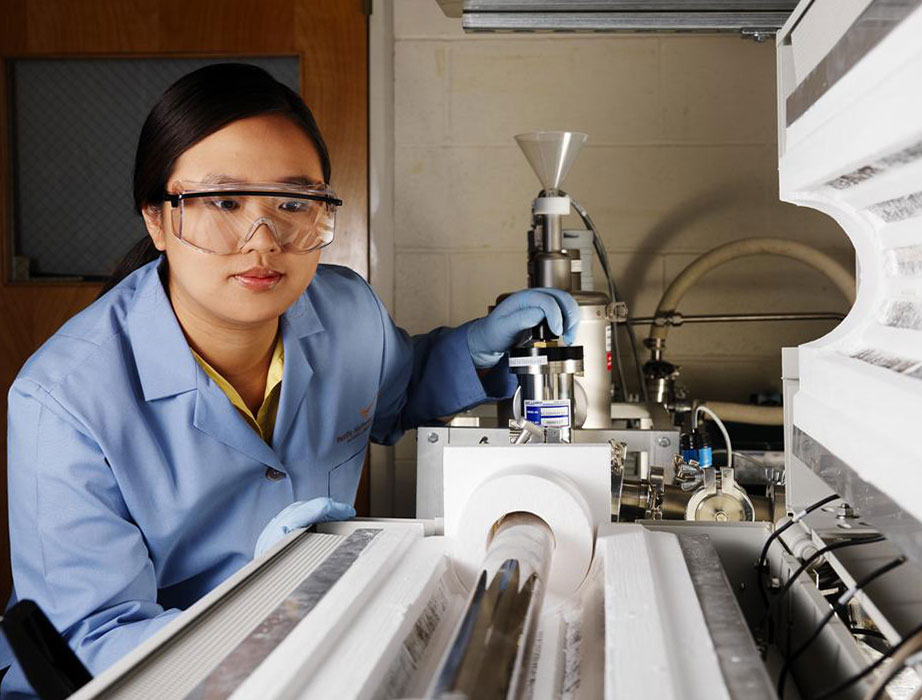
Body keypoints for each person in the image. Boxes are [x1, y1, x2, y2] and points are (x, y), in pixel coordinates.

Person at [0, 63, 579, 698]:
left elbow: (396, 389)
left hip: (315, 649)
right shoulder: (64, 398)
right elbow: (93, 638)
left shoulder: (347, 310)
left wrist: (477, 346)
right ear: (158, 220)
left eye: (293, 203)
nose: (263, 240)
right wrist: (263, 612)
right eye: (222, 202)